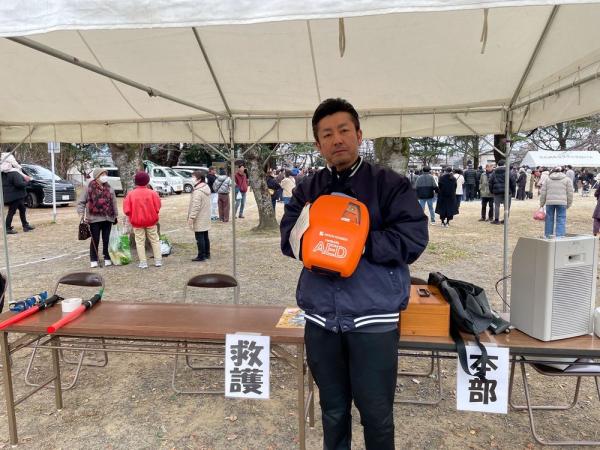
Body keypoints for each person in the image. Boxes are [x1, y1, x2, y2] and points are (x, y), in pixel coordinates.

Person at [281, 98, 428, 450]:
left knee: (376, 415)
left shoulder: (389, 184)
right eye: (327, 134)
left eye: (344, 130)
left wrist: (356, 244)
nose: (337, 139)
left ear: (359, 135)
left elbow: (413, 238)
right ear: (318, 144)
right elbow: (288, 240)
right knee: (332, 411)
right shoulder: (308, 188)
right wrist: (317, 240)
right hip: (321, 318)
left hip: (373, 319)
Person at [77, 168, 117, 268]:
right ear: (97, 176)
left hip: (108, 218)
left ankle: (107, 257)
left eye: (105, 174)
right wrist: (81, 213)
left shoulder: (109, 187)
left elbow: (114, 202)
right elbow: (81, 201)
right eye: (102, 175)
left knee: (106, 239)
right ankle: (93, 259)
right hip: (93, 218)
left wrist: (115, 215)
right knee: (95, 239)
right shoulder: (88, 187)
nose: (105, 176)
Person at [123, 171, 162, 269]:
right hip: (151, 221)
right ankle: (158, 260)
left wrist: (132, 215)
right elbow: (158, 206)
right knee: (155, 240)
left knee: (139, 242)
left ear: (135, 181)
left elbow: (126, 210)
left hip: (137, 222)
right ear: (147, 181)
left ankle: (143, 262)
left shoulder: (130, 194)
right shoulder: (153, 193)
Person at [540, 166, 573, 238]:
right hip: (562, 202)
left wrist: (542, 204)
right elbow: (570, 193)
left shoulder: (547, 179)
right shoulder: (567, 179)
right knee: (561, 219)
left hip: (549, 202)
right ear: (562, 171)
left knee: (549, 219)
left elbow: (543, 193)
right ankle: (560, 236)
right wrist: (569, 204)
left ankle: (548, 235)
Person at [2, 162, 34, 235]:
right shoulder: (14, 173)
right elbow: (19, 184)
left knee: (22, 209)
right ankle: (8, 228)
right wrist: (27, 182)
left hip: (11, 196)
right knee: (11, 212)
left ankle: (25, 225)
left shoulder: (4, 173)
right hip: (16, 196)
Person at [187, 171, 211, 262]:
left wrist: (191, 218)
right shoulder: (205, 187)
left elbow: (195, 206)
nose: (192, 179)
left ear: (199, 179)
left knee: (199, 237)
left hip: (199, 217)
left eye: (193, 177)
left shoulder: (198, 191)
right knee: (205, 236)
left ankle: (201, 255)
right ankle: (207, 254)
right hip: (205, 216)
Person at [488, 159, 516, 224]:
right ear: (505, 164)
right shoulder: (508, 172)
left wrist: (491, 191)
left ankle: (496, 220)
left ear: (498, 165)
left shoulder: (494, 172)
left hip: (497, 191)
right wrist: (513, 192)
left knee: (497, 206)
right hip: (507, 191)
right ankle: (505, 220)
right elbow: (513, 183)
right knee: (507, 206)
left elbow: (490, 182)